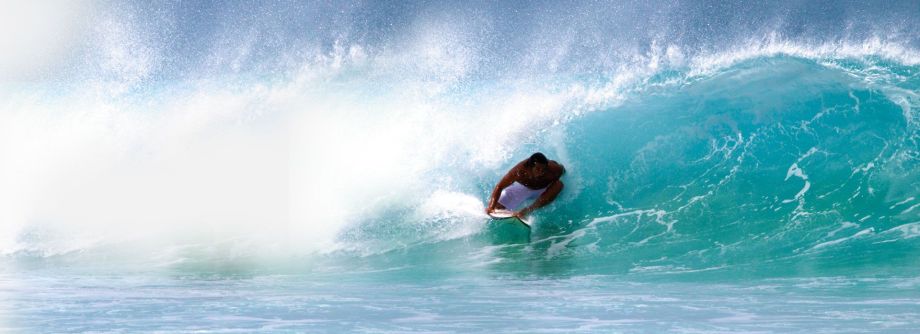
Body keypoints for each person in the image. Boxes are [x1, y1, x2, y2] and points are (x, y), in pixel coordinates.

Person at [486, 152, 565, 219]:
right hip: (524, 189)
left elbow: (563, 171)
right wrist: (491, 207)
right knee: (497, 207)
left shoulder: (554, 169)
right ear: (530, 167)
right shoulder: (519, 171)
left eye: (543, 169)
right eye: (538, 169)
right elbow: (499, 187)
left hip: (542, 190)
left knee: (559, 184)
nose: (541, 172)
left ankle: (529, 210)